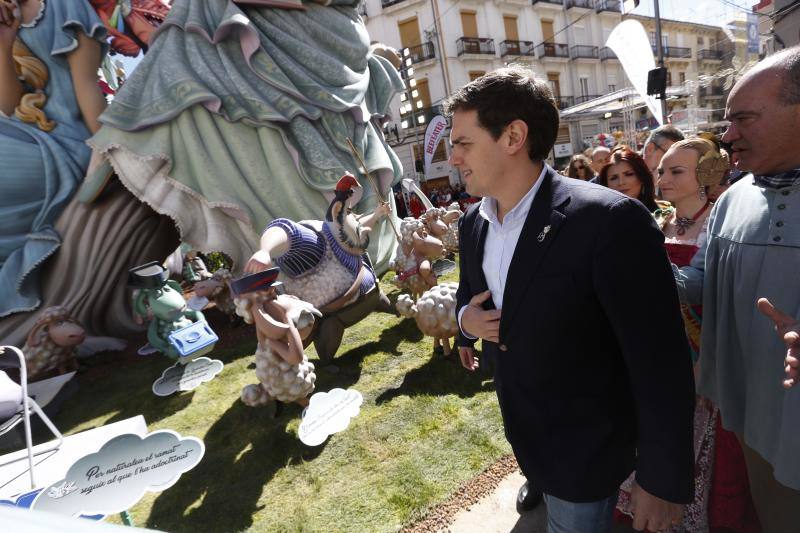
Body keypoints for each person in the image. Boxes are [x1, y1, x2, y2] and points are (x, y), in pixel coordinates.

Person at [449, 67, 694, 532]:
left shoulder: (608, 221)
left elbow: (659, 361)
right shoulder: (473, 224)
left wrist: (662, 480)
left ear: (514, 136)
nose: (453, 157)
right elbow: (473, 298)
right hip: (528, 439)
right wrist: (465, 321)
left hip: (587, 452)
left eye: (463, 142)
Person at [679, 45, 800, 532]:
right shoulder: (733, 199)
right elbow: (702, 284)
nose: (726, 137)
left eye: (743, 119)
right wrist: (638, 264)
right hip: (754, 424)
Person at [615, 138, 759, 532]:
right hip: (660, 354)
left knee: (702, 460)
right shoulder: (659, 221)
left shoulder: (719, 222)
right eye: (661, 170)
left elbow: (704, 291)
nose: (663, 177)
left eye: (676, 171)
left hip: (705, 360)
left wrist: (642, 261)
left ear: (707, 176)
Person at [0, 0, 108, 318]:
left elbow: (88, 90)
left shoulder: (64, 6)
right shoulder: (11, 18)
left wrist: (106, 155)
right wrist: (4, 43)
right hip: (28, 139)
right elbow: (10, 106)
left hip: (67, 148)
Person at [596, 148, 659, 212]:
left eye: (629, 174)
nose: (621, 182)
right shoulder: (599, 218)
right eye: (613, 178)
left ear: (641, 177)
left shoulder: (663, 214)